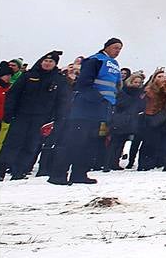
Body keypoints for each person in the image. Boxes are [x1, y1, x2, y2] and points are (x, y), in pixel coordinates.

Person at [48, 38, 123, 185]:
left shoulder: (114, 64)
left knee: (90, 144)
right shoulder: (94, 60)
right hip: (85, 110)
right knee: (74, 142)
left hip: (102, 110)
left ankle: (80, 174)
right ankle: (58, 174)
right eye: (115, 47)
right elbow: (83, 84)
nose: (118, 51)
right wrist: (99, 99)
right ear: (106, 47)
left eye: (120, 48)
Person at [0, 51, 69, 180]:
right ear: (41, 61)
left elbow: (63, 101)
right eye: (45, 61)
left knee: (31, 145)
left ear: (55, 64)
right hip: (21, 116)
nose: (47, 64)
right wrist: (9, 113)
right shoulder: (28, 76)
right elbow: (13, 94)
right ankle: (0, 171)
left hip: (42, 119)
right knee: (11, 144)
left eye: (51, 62)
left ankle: (19, 172)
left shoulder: (59, 80)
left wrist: (58, 119)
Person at [103, 70, 145, 171]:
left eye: (139, 82)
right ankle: (108, 163)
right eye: (135, 82)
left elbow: (139, 106)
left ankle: (115, 162)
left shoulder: (140, 93)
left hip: (131, 119)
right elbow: (121, 104)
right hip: (121, 118)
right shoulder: (124, 91)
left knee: (121, 142)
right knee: (115, 142)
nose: (137, 84)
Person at [137, 69, 166, 170]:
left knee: (158, 141)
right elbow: (145, 100)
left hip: (162, 116)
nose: (163, 79)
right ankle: (144, 164)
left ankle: (155, 162)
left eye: (165, 77)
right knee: (148, 141)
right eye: (159, 77)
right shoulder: (149, 88)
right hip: (150, 115)